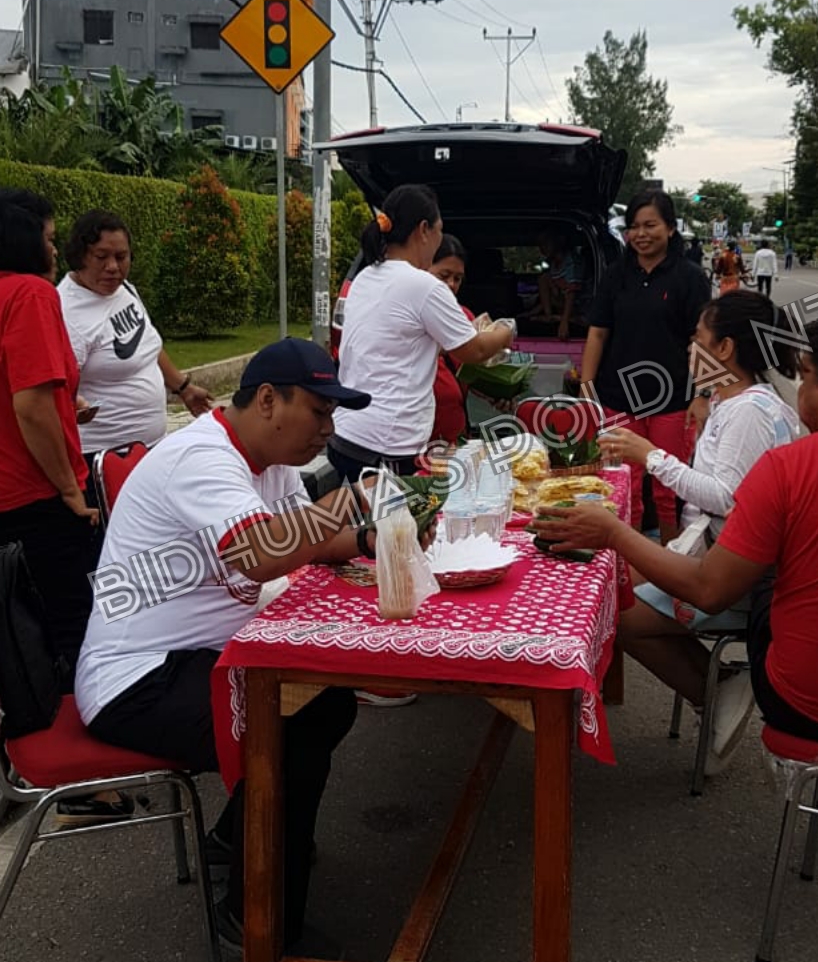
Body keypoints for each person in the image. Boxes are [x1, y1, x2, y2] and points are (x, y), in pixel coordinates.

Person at [536, 309, 818, 864]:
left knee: (767, 589)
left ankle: (734, 697)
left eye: (803, 376)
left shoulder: (790, 468)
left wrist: (613, 532)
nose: (796, 390)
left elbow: (709, 590)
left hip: (809, 710)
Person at [77, 338, 395, 958]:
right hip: (137, 679)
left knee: (327, 702)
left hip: (197, 655)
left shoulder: (268, 459)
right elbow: (260, 550)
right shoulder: (204, 458)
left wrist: (371, 535)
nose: (328, 431)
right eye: (320, 412)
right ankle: (258, 922)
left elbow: (300, 542)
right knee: (291, 725)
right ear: (270, 400)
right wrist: (341, 508)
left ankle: (239, 839)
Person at [0, 187, 117, 830]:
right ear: (21, 238)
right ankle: (77, 785)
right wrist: (69, 488)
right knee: (67, 629)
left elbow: (5, 390)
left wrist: (69, 410)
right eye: (46, 234)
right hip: (22, 498)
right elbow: (31, 405)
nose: (50, 246)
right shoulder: (30, 295)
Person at [597, 289, 799, 772]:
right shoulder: (730, 402)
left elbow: (727, 496)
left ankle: (714, 688)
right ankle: (714, 686)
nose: (691, 348)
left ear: (724, 349)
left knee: (614, 613)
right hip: (706, 551)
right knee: (610, 585)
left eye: (698, 338)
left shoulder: (751, 410)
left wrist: (650, 456)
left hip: (732, 571)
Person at [328, 184, 513, 482]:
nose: (440, 238)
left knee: (363, 526)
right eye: (440, 230)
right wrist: (505, 330)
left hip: (347, 436)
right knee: (396, 527)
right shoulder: (423, 286)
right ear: (424, 230)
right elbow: (474, 350)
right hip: (387, 447)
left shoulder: (365, 277)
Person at [579, 188, 710, 543]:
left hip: (674, 400)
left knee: (669, 490)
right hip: (618, 398)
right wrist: (586, 392)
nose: (640, 234)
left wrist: (703, 394)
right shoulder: (615, 275)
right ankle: (629, 574)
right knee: (625, 484)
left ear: (670, 228)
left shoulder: (691, 278)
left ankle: (674, 569)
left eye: (650, 224)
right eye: (634, 226)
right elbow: (598, 335)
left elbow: (703, 341)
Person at [57, 210, 212, 495]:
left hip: (150, 450)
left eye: (121, 256)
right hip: (104, 463)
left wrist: (184, 387)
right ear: (80, 256)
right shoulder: (67, 312)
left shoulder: (124, 289)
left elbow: (147, 344)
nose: (113, 267)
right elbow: (53, 392)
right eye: (101, 257)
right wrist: (73, 404)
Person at [428, 235, 474, 446]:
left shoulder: (465, 319)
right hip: (409, 445)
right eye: (444, 276)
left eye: (457, 279)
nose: (451, 284)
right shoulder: (403, 318)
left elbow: (474, 372)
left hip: (453, 444)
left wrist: (496, 394)